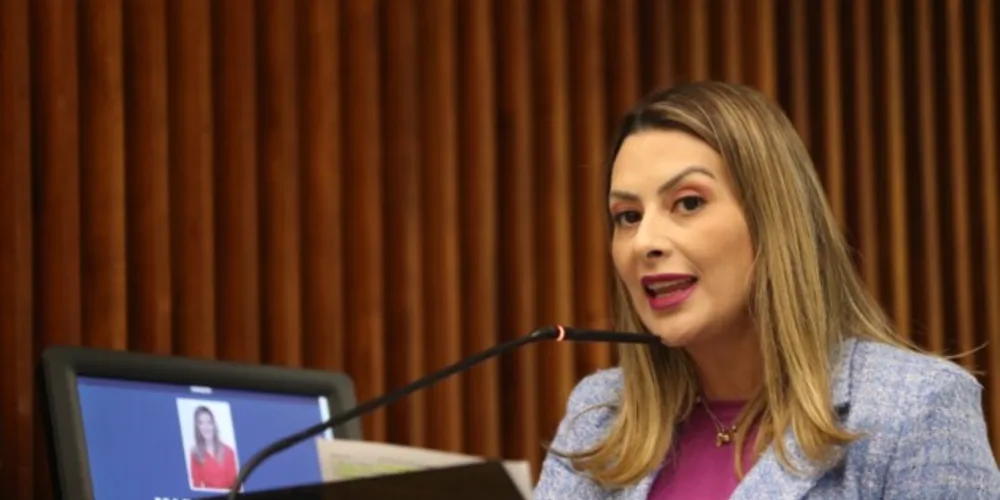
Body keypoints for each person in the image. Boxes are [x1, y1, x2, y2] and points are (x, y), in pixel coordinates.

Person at [533, 81, 1000, 499]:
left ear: (772, 221)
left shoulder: (914, 408)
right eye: (628, 217)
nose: (645, 242)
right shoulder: (599, 416)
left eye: (688, 203)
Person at [189, 405, 238, 490]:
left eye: (209, 422)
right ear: (197, 427)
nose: (206, 427)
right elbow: (196, 485)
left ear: (214, 425)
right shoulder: (195, 454)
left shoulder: (228, 451)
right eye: (201, 423)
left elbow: (234, 484)